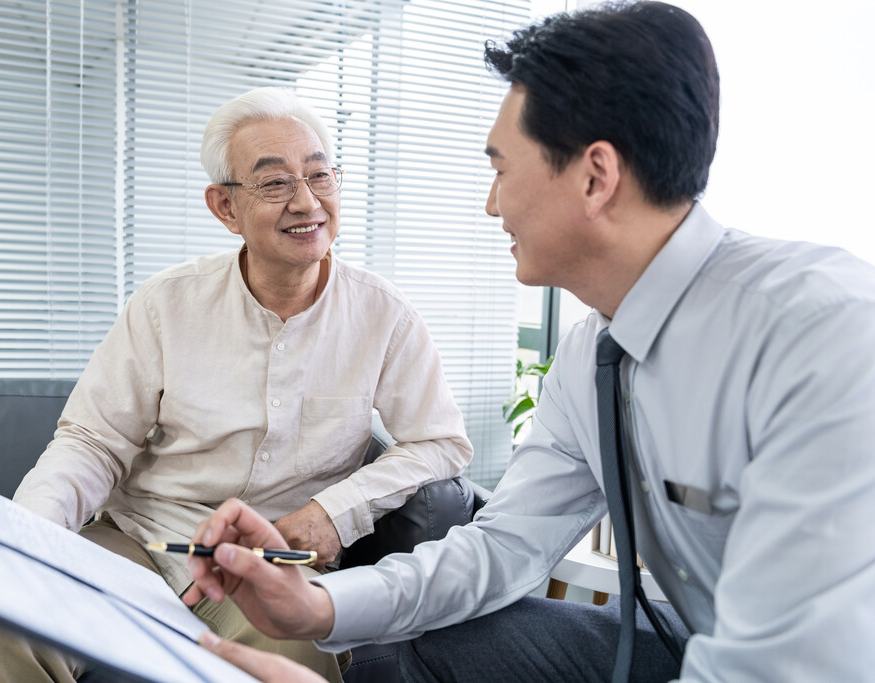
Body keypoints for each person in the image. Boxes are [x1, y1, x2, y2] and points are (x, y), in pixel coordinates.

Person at [181, 2, 875, 682]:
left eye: (502, 169)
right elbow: (504, 544)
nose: (491, 203)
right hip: (701, 636)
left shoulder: (821, 330)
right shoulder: (591, 354)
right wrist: (319, 605)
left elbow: (789, 661)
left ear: (595, 177)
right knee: (434, 643)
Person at [0, 86, 472, 683]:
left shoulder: (384, 314)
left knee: (292, 649)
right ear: (225, 207)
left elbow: (441, 442)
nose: (306, 201)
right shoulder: (166, 304)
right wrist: (24, 539)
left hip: (262, 561)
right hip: (138, 541)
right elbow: (91, 442)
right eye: (274, 183)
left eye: (320, 176)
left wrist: (335, 511)